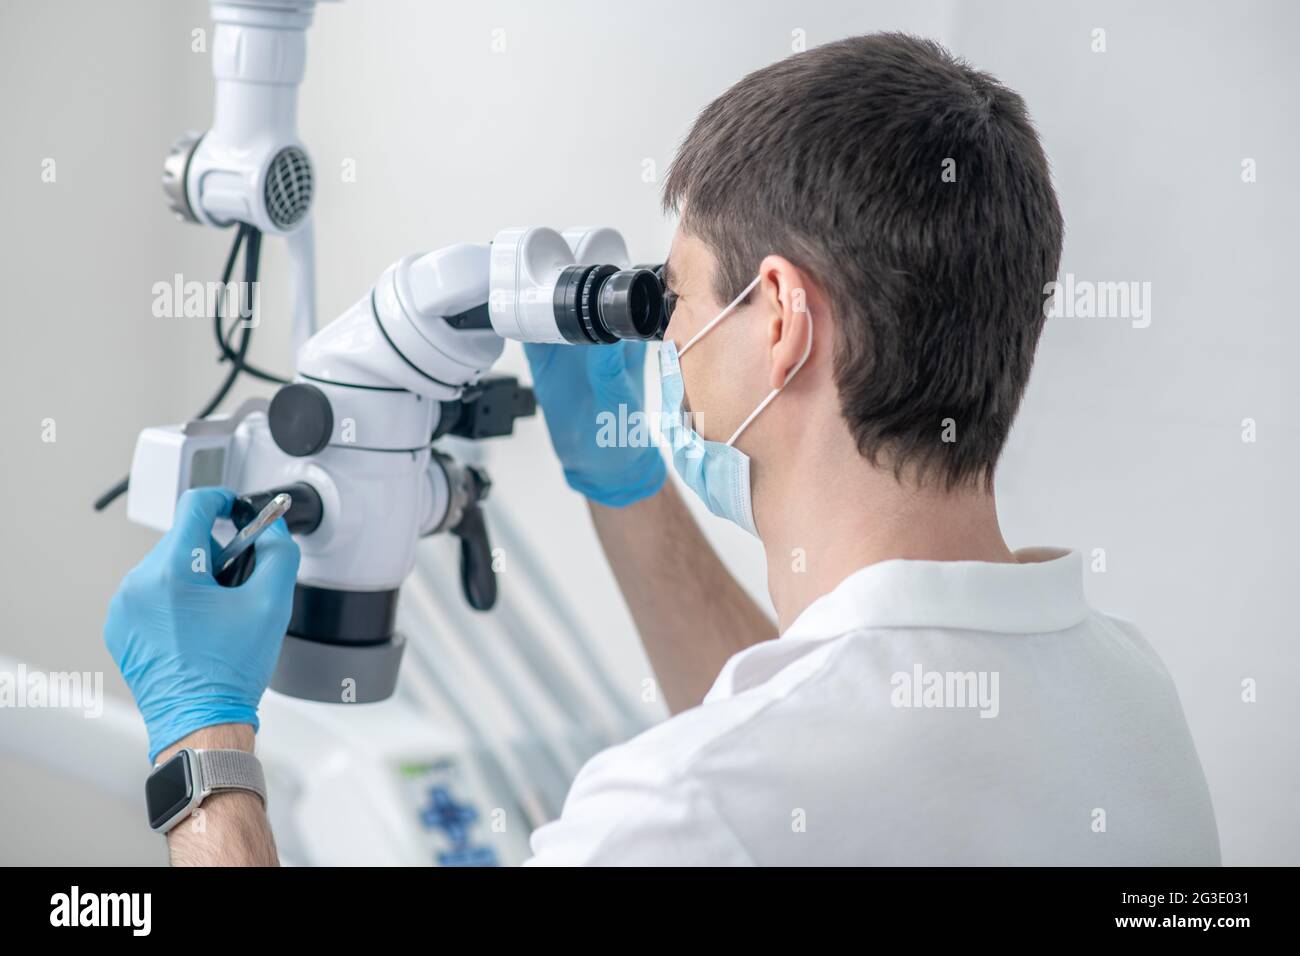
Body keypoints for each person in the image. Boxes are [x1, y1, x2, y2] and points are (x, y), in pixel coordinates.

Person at [105, 33, 1220, 866]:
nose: (667, 346)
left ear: (779, 320)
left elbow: (749, 771)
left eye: (671, 299)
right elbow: (795, 723)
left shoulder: (674, 812)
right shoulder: (1126, 690)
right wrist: (625, 483)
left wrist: (205, 752)